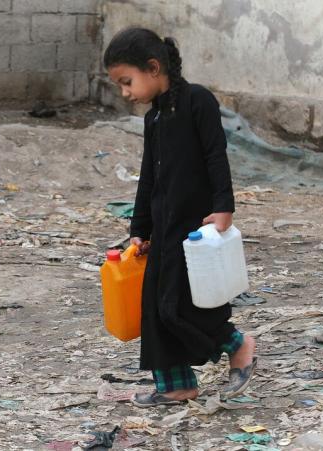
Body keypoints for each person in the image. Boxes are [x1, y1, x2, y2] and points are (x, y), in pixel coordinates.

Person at [103, 27, 257, 407]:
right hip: (163, 228)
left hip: (197, 227)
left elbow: (215, 155)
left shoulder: (197, 102)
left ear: (153, 68)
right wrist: (139, 230)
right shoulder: (153, 119)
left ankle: (239, 344)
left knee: (185, 305)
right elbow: (149, 178)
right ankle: (176, 384)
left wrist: (224, 207)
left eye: (127, 82)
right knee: (156, 307)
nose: (125, 93)